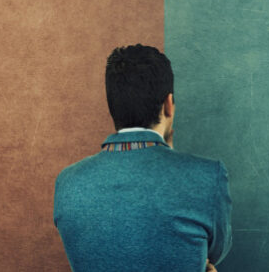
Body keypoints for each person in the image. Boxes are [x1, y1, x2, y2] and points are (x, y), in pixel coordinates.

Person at [54, 44, 232, 272]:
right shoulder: (209, 176)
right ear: (169, 104)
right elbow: (213, 253)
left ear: (113, 107)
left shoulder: (68, 182)